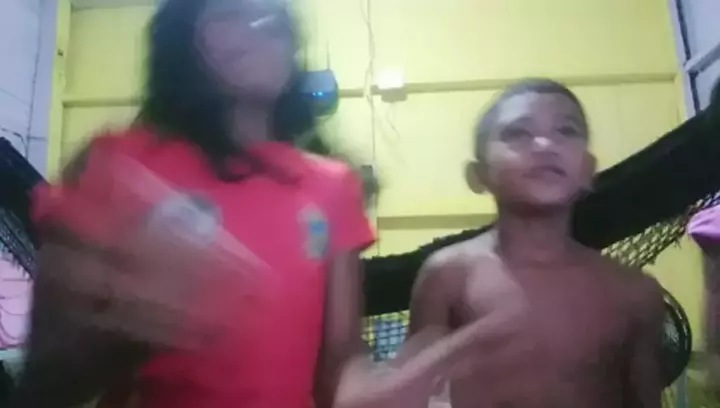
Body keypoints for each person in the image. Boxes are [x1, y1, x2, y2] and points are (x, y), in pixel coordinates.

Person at [11, 1, 497, 407]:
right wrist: (115, 331)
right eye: (231, 13)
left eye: (274, 19)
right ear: (184, 35)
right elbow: (45, 385)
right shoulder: (115, 166)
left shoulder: (332, 185)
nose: (262, 27)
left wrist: (401, 379)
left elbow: (340, 365)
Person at [409, 78, 666, 408]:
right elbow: (415, 397)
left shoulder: (633, 292)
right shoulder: (447, 276)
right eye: (518, 133)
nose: (545, 145)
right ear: (479, 175)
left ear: (588, 170)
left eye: (567, 131)